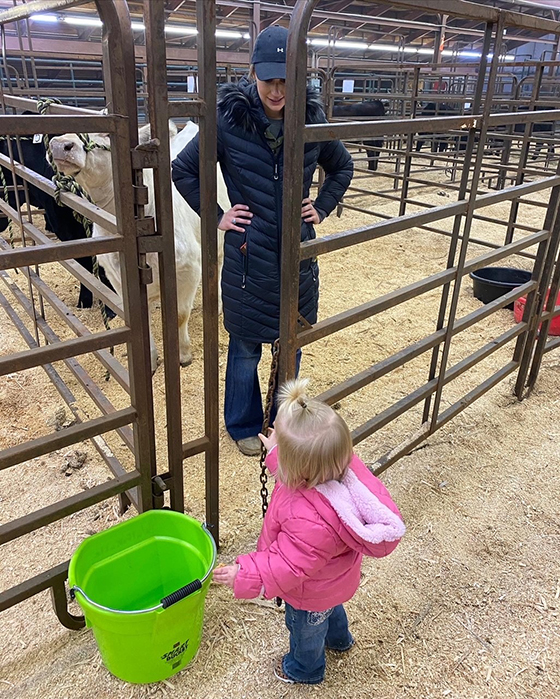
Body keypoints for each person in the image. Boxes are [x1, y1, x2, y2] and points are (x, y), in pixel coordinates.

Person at [172, 25, 353, 456]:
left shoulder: (310, 117)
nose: (277, 90)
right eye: (269, 78)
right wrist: (218, 217)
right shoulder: (228, 119)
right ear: (253, 72)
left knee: (291, 342)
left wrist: (322, 206)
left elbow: (341, 166)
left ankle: (284, 423)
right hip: (248, 258)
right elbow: (183, 169)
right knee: (245, 346)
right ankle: (242, 424)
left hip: (297, 255)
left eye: (286, 79)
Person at [213, 378, 405, 684]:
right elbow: (302, 469)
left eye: (281, 449)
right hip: (333, 581)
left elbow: (288, 565)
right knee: (331, 610)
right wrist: (280, 450)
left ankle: (305, 669)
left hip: (309, 592)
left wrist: (245, 574)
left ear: (298, 468)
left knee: (306, 630)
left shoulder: (309, 519)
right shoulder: (341, 473)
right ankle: (340, 641)